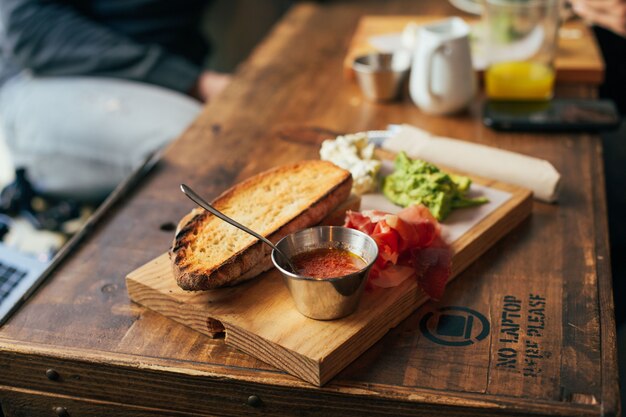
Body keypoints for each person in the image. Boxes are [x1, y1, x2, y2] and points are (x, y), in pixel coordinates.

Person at [0, 0, 232, 202]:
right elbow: (30, 29)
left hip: (159, 67)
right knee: (199, 145)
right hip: (41, 76)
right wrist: (193, 83)